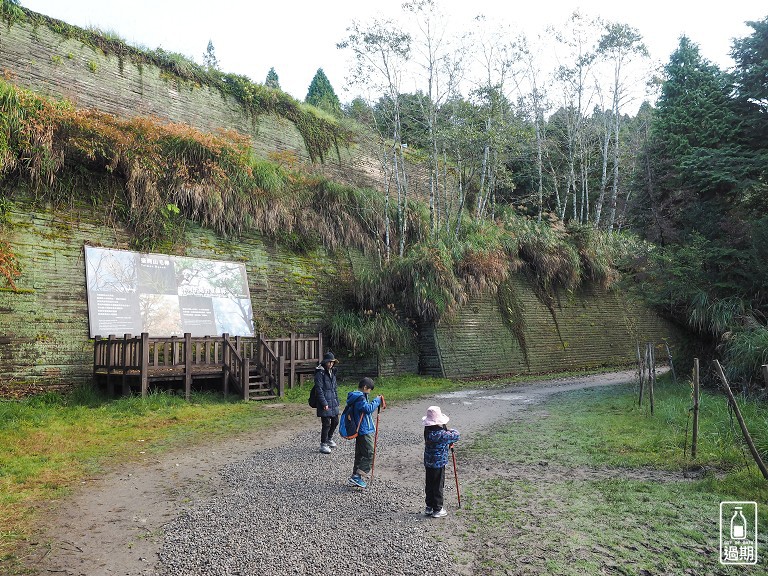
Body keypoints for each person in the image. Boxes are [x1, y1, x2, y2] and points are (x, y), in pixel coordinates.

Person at [344, 377, 383, 488]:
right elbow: (368, 409)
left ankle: (354, 477)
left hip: (360, 429)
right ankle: (358, 476)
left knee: (360, 454)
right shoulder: (360, 398)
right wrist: (377, 400)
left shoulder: (356, 396)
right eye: (370, 389)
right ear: (365, 387)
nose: (369, 392)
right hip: (363, 430)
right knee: (370, 452)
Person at [422, 405, 460, 518]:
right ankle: (438, 509)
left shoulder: (428, 431)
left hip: (428, 462)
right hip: (439, 463)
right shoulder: (442, 434)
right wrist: (450, 430)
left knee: (429, 484)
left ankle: (429, 506)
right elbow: (457, 435)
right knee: (438, 485)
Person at [314, 351, 340, 454]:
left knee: (335, 421)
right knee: (326, 423)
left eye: (332, 362)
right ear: (325, 362)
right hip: (324, 402)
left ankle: (329, 438)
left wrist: (337, 400)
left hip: (333, 401)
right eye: (329, 362)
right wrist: (324, 403)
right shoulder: (319, 373)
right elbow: (319, 390)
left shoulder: (332, 372)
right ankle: (323, 444)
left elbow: (335, 388)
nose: (331, 364)